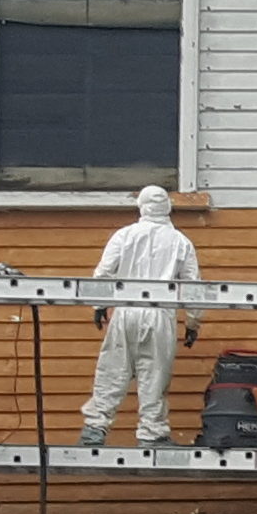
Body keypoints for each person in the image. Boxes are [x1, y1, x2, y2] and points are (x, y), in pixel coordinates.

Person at [78, 186, 199, 447]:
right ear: (168, 206)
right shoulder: (180, 241)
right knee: (155, 376)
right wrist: (192, 321)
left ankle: (95, 428)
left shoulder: (124, 236)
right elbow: (192, 287)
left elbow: (103, 274)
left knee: (112, 370)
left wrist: (99, 306)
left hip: (124, 311)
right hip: (160, 315)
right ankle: (152, 433)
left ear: (141, 206)